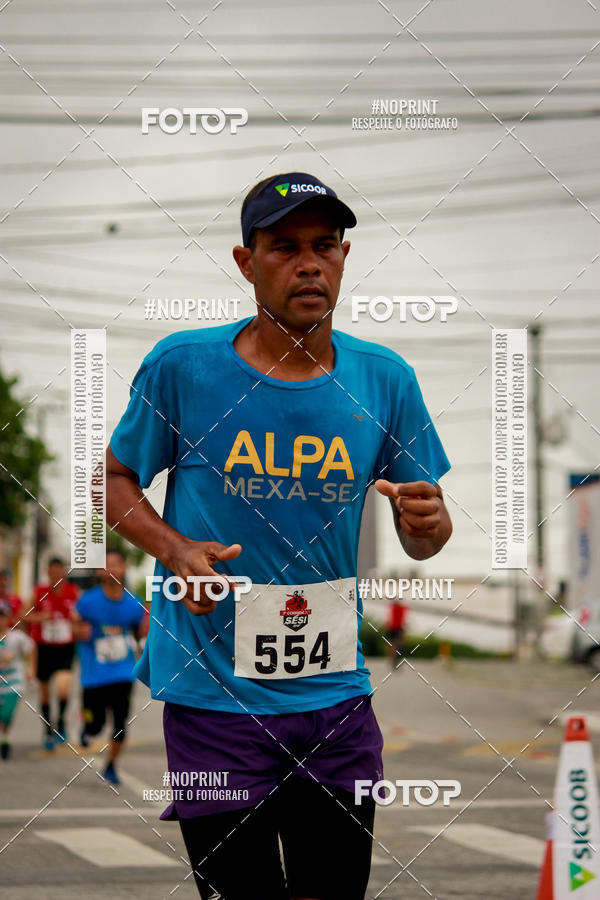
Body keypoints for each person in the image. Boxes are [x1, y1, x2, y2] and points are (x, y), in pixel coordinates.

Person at [106, 171, 453, 900]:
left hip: (336, 700)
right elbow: (114, 483)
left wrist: (429, 525)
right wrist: (174, 549)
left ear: (344, 256)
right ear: (246, 261)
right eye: (285, 246)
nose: (309, 263)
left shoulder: (384, 379)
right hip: (214, 700)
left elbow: (426, 531)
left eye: (325, 245)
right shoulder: (183, 368)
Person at [72, 550, 148, 785]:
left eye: (116, 564)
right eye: (106, 566)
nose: (112, 569)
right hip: (94, 675)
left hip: (123, 673)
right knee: (95, 726)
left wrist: (147, 623)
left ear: (124, 568)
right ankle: (87, 727)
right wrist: (79, 632)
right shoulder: (88, 600)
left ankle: (112, 766)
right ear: (100, 572)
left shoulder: (134, 602)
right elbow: (74, 626)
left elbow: (140, 634)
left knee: (119, 723)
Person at [27, 557, 79, 749]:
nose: (56, 575)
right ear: (47, 572)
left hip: (65, 647)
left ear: (64, 573)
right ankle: (48, 729)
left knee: (64, 688)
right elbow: (24, 615)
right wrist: (40, 617)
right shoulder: (38, 593)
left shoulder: (74, 593)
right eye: (52, 572)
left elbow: (83, 616)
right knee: (45, 693)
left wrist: (76, 621)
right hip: (44, 647)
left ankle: (62, 722)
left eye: (59, 571)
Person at [0, 598, 35, 760]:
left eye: (3, 616)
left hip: (14, 681)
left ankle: (5, 734)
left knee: (6, 713)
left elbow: (31, 649)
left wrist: (30, 668)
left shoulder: (16, 637)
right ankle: (5, 738)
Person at [386, 600, 408, 671]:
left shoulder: (392, 607)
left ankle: (392, 659)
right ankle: (397, 658)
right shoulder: (402, 608)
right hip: (399, 628)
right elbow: (405, 619)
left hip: (392, 628)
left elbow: (389, 618)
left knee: (392, 644)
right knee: (400, 644)